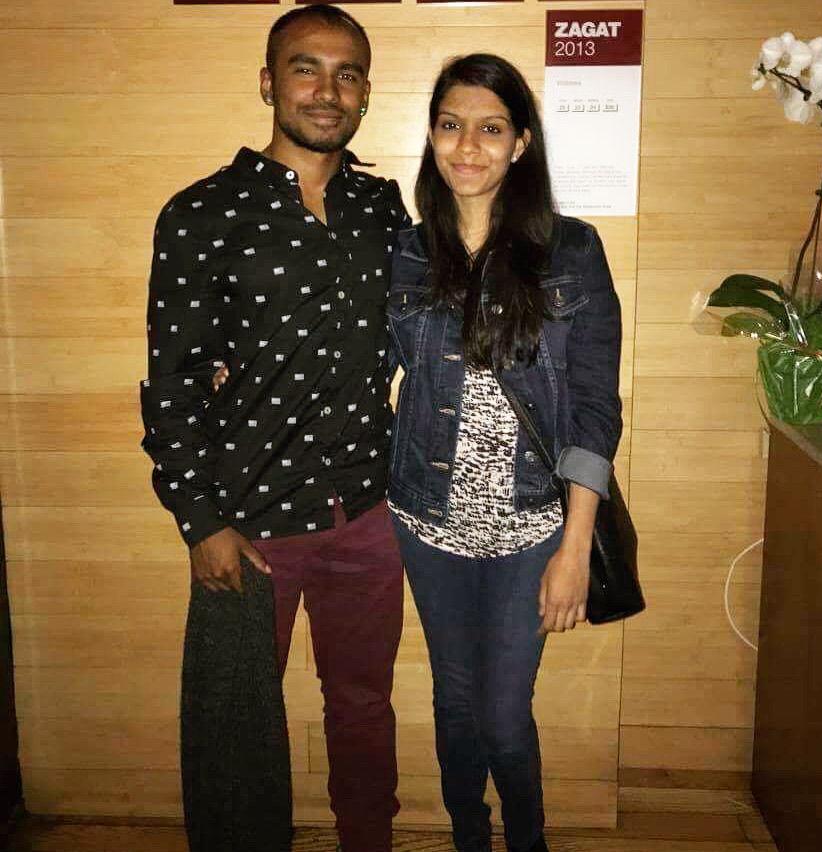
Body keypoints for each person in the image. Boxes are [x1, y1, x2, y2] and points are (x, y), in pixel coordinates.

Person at [140, 6, 409, 852]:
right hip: (248, 521)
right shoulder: (201, 212)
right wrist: (199, 521)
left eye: (347, 73)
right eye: (306, 68)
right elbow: (172, 382)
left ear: (365, 92)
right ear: (268, 82)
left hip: (368, 511)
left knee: (363, 704)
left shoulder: (384, 208)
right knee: (234, 722)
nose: (328, 91)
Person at [385, 54, 623, 852]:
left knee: (502, 716)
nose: (468, 146)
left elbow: (594, 408)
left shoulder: (573, 250)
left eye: (490, 129)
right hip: (427, 521)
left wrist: (575, 549)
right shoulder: (406, 252)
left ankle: (527, 841)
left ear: (521, 143)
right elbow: (357, 364)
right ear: (431, 135)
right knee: (453, 706)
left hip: (533, 528)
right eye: (451, 125)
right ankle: (468, 838)